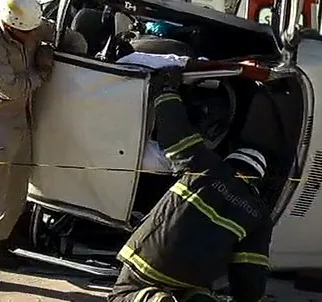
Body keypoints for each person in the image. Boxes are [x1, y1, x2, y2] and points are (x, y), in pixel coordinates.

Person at [0, 0, 87, 290]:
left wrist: (73, 48)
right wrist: (42, 70)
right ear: (9, 23)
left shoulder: (30, 23)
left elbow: (61, 34)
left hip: (23, 120)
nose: (31, 34)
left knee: (17, 189)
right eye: (25, 31)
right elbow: (11, 90)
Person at [108, 67, 273, 302]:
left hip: (152, 258)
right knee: (194, 291)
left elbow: (174, 135)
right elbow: (250, 271)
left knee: (121, 295)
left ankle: (153, 299)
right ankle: (197, 298)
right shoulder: (260, 215)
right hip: (195, 275)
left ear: (230, 160)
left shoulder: (207, 165)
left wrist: (166, 91)